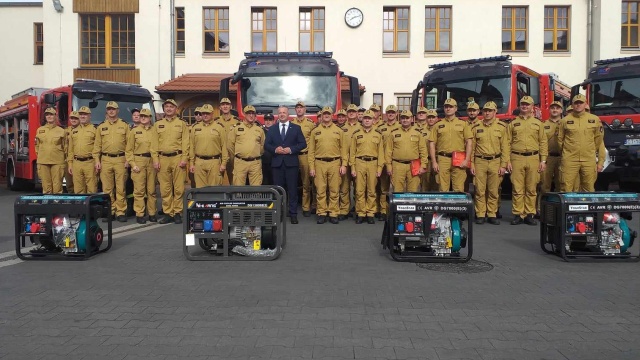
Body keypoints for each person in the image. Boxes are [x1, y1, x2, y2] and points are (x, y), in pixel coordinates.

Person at [507, 96, 548, 225]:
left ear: (532, 107)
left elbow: (543, 142)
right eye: (522, 104)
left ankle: (530, 213)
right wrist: (507, 161)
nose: (524, 106)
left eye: (527, 104)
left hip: (533, 158)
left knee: (531, 188)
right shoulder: (513, 124)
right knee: (517, 188)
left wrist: (543, 160)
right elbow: (507, 143)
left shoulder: (538, 124)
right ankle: (518, 214)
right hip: (516, 157)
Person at [265, 106, 307, 224]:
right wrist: (275, 150)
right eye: (280, 113)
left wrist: (291, 149)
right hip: (277, 164)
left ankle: (293, 213)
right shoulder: (272, 129)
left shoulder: (296, 128)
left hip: (291, 163)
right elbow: (266, 145)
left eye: (284, 112)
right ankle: (279, 213)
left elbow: (303, 144)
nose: (282, 114)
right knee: (278, 191)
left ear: (288, 114)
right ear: (277, 115)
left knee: (292, 190)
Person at [470, 102, 509, 225]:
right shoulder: (476, 127)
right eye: (485, 110)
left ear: (495, 112)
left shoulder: (502, 127)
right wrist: (471, 163)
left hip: (495, 161)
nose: (487, 113)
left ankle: (492, 213)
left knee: (493, 190)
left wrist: (503, 165)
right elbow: (472, 148)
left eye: (490, 110)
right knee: (480, 190)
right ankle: (480, 214)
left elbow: (505, 147)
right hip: (480, 161)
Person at [152, 99, 189, 224]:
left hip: (177, 158)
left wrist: (184, 159)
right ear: (164, 109)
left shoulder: (181, 124)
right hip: (162, 159)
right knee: (165, 188)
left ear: (175, 109)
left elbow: (186, 143)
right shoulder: (158, 125)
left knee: (178, 188)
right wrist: (155, 160)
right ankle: (168, 213)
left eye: (171, 107)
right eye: (166, 106)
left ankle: (177, 212)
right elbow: (154, 144)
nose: (168, 108)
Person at [557, 94, 605, 192]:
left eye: (581, 103)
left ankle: (587, 207)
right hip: (570, 159)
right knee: (566, 187)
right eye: (576, 103)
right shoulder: (564, 121)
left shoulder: (595, 119)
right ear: (572, 105)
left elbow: (598, 138)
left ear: (585, 104)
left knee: (588, 187)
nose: (578, 105)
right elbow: (560, 140)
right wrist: (568, 151)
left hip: (588, 159)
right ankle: (567, 207)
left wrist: (590, 149)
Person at [308, 106, 348, 224]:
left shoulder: (338, 131)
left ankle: (333, 212)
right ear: (321, 116)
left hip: (335, 163)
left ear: (332, 116)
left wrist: (344, 165)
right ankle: (321, 212)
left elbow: (343, 150)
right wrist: (311, 167)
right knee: (320, 190)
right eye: (324, 114)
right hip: (319, 163)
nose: (326, 115)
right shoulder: (315, 131)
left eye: (328, 114)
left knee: (334, 189)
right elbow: (311, 151)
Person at [93, 101, 130, 222]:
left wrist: (128, 159)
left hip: (121, 159)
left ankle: (121, 211)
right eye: (109, 109)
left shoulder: (124, 125)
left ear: (117, 110)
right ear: (106, 111)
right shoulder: (101, 127)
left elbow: (129, 144)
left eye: (113, 109)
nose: (111, 111)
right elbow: (97, 146)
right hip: (106, 160)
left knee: (120, 187)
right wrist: (97, 160)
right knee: (107, 188)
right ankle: (110, 211)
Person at [428, 98, 473, 192]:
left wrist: (467, 160)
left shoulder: (463, 124)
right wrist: (434, 162)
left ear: (456, 108)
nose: (448, 109)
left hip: (459, 159)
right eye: (446, 107)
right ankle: (444, 207)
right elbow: (432, 143)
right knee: (443, 189)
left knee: (459, 189)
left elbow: (469, 142)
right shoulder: (437, 125)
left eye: (450, 107)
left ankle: (457, 207)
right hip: (443, 159)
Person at [350, 110, 384, 224]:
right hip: (359, 162)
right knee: (359, 190)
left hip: (373, 163)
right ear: (362, 120)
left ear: (373, 120)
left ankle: (370, 212)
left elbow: (381, 153)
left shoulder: (378, 135)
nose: (367, 120)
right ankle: (360, 212)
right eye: (365, 118)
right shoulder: (356, 134)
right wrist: (353, 168)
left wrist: (379, 168)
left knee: (371, 190)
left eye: (369, 118)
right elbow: (352, 153)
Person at [125, 108, 157, 224]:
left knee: (152, 190)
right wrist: (133, 164)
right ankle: (140, 213)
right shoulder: (134, 131)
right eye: (141, 116)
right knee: (139, 190)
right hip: (138, 160)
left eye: (145, 116)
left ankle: (152, 213)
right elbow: (128, 150)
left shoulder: (155, 130)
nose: (143, 118)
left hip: (151, 161)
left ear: (150, 118)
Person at [385, 110, 428, 192]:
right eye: (403, 118)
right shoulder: (393, 133)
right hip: (397, 165)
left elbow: (423, 150)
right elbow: (388, 151)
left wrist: (423, 165)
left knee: (413, 191)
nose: (405, 120)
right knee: (397, 191)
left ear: (412, 119)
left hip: (414, 165)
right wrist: (388, 166)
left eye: (407, 118)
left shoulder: (417, 133)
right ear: (400, 120)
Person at [189, 104, 228, 188]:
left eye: (207, 113)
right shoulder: (195, 128)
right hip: (199, 162)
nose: (205, 115)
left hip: (214, 162)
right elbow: (192, 146)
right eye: (203, 113)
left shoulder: (219, 127)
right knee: (200, 189)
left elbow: (224, 146)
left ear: (212, 114)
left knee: (214, 189)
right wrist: (191, 163)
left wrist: (224, 163)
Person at [227, 105, 265, 185]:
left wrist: (254, 154)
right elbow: (230, 146)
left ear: (255, 115)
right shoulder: (236, 128)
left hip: (255, 163)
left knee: (256, 189)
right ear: (244, 114)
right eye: (248, 113)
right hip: (240, 162)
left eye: (252, 113)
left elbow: (262, 146)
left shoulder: (259, 130)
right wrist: (237, 158)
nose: (251, 115)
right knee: (238, 189)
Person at [375, 105, 401, 220]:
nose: (390, 114)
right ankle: (383, 211)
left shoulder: (401, 126)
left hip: (396, 161)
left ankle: (396, 210)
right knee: (383, 188)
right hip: (383, 160)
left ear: (396, 114)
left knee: (397, 188)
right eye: (388, 112)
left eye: (392, 112)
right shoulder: (380, 128)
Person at [537, 101, 563, 214]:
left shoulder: (565, 123)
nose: (555, 110)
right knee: (544, 185)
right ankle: (540, 209)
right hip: (548, 158)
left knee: (560, 184)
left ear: (561, 110)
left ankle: (558, 209)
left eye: (557, 108)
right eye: (553, 108)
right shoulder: (543, 124)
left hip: (562, 158)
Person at [290, 101, 316, 217]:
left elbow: (314, 140)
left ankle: (306, 207)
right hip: (293, 156)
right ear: (295, 110)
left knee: (306, 182)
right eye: (297, 108)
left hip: (305, 155)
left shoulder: (310, 124)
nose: (299, 110)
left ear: (305, 110)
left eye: (301, 108)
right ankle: (292, 207)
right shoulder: (291, 123)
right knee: (292, 182)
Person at [35, 107, 66, 194]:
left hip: (57, 162)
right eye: (47, 115)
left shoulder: (61, 131)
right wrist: (41, 156)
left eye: (51, 114)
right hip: (43, 161)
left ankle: (56, 206)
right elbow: (37, 146)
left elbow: (65, 147)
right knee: (46, 187)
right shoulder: (40, 130)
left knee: (57, 187)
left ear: (55, 116)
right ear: (45, 117)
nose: (49, 116)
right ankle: (47, 206)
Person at [68, 106, 97, 194]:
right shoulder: (74, 131)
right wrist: (70, 164)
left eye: (85, 114)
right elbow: (70, 150)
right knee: (78, 189)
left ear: (89, 116)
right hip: (76, 163)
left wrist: (97, 162)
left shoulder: (95, 129)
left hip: (90, 162)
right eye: (81, 114)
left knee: (91, 189)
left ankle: (90, 207)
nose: (82, 116)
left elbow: (98, 148)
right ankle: (80, 208)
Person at [215, 98, 241, 185]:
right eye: (223, 104)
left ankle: (233, 198)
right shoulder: (216, 121)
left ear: (231, 106)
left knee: (234, 180)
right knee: (217, 180)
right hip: (219, 155)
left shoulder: (237, 121)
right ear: (220, 107)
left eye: (227, 104)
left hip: (232, 154)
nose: (225, 106)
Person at [415, 108, 439, 191]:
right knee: (425, 184)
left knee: (438, 183)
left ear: (437, 118)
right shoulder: (421, 132)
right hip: (426, 160)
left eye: (433, 117)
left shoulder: (440, 130)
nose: (431, 119)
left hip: (438, 160)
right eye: (429, 117)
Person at [64, 111, 80, 193]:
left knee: (80, 183)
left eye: (76, 118)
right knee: (69, 182)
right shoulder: (65, 131)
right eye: (72, 118)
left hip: (79, 159)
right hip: (67, 159)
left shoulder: (82, 130)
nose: (73, 120)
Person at [262, 113, 275, 185]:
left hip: (274, 161)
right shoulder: (260, 131)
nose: (268, 121)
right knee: (264, 182)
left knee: (274, 182)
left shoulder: (277, 131)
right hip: (263, 162)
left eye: (270, 120)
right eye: (266, 120)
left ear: (273, 121)